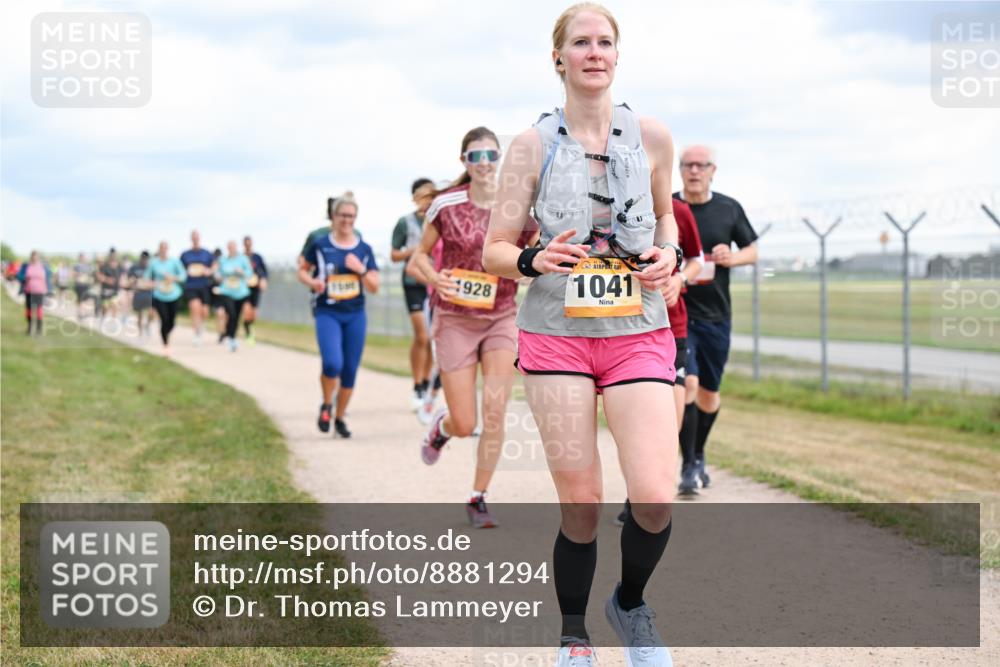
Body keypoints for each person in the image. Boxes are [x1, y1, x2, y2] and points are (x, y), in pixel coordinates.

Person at [482, 4, 682, 664]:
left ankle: (629, 602)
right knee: (583, 501)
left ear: (617, 57)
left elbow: (665, 220)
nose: (594, 51)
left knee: (654, 493)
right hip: (557, 331)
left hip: (637, 330)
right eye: (580, 42)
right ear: (558, 58)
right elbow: (494, 250)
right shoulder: (530, 146)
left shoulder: (651, 136)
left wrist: (670, 257)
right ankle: (574, 635)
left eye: (605, 42)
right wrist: (533, 259)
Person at [410, 126, 536, 529]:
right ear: (463, 162)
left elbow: (532, 257)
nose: (484, 164)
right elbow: (418, 258)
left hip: (501, 316)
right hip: (455, 319)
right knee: (466, 423)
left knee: (495, 412)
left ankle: (478, 497)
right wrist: (435, 277)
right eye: (475, 156)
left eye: (490, 156)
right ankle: (443, 427)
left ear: (500, 159)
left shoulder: (518, 207)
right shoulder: (445, 205)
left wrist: (532, 271)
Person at [675, 145, 758, 489]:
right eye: (688, 165)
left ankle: (697, 454)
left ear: (713, 170)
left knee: (709, 394)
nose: (694, 170)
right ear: (679, 169)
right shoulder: (669, 208)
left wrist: (730, 258)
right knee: (687, 385)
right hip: (677, 314)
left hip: (716, 315)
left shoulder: (728, 208)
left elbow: (752, 250)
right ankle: (689, 466)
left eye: (701, 165)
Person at [299, 191, 379, 439]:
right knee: (333, 363)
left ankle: (340, 417)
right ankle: (326, 403)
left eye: (351, 216)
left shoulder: (364, 249)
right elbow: (301, 269)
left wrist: (361, 269)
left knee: (350, 370)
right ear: (333, 216)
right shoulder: (321, 245)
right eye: (343, 215)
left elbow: (374, 286)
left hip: (355, 313)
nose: (347, 220)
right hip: (328, 312)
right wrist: (313, 282)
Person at [391, 178, 437, 411]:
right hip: (413, 281)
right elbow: (394, 255)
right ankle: (417, 382)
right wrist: (415, 250)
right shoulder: (405, 223)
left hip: (435, 281)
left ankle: (427, 379)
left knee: (432, 337)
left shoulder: (440, 219)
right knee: (422, 336)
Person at [146, 241, 186, 356]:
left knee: (172, 322)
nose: (163, 250)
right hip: (159, 295)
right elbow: (146, 278)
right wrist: (151, 283)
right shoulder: (153, 263)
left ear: (168, 249)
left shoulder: (175, 262)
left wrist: (173, 278)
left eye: (165, 248)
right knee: (164, 319)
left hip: (174, 294)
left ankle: (166, 333)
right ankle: (166, 345)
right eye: (161, 248)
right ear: (159, 249)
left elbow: (183, 276)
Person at [217, 240, 254, 352]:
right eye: (229, 247)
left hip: (241, 292)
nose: (231, 248)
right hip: (227, 291)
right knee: (231, 313)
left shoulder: (243, 259)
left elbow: (249, 273)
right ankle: (230, 336)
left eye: (233, 246)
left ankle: (232, 337)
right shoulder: (223, 260)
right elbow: (218, 273)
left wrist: (241, 272)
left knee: (236, 316)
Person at [180, 230, 215, 344]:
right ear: (191, 238)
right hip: (191, 285)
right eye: (193, 237)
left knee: (204, 312)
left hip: (204, 285)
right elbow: (179, 268)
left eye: (197, 237)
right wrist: (185, 272)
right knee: (195, 308)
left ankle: (201, 326)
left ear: (199, 238)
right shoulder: (185, 254)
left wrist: (209, 271)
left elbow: (215, 264)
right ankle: (196, 334)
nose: (195, 239)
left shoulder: (206, 253)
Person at [241, 235, 268, 345]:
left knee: (254, 314)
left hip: (255, 288)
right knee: (246, 311)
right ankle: (249, 334)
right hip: (244, 289)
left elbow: (264, 272)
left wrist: (263, 280)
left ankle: (250, 327)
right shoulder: (241, 258)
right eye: (246, 244)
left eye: (249, 244)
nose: (248, 246)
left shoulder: (257, 257)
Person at [17, 251, 52, 335]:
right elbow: (19, 275)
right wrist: (24, 277)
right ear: (31, 257)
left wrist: (49, 290)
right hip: (29, 291)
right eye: (33, 256)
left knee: (39, 310)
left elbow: (49, 276)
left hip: (40, 291)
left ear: (38, 257)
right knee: (29, 310)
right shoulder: (26, 266)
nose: (35, 258)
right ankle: (30, 328)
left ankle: (38, 329)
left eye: (36, 256)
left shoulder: (43, 267)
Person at [128, 251, 154, 338]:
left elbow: (155, 280)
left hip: (149, 292)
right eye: (143, 258)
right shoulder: (134, 267)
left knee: (152, 312)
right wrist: (134, 284)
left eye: (146, 258)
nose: (144, 260)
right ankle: (140, 332)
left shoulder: (151, 268)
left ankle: (148, 325)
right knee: (140, 313)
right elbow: (130, 279)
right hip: (139, 293)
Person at [95, 249, 123, 322]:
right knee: (106, 307)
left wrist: (122, 282)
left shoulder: (119, 266)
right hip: (105, 290)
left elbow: (122, 277)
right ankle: (103, 318)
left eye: (115, 254)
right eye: (112, 254)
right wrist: (107, 280)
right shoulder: (104, 266)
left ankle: (113, 321)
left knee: (115, 305)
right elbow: (99, 276)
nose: (113, 256)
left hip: (115, 290)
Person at [72, 253, 95, 319]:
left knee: (86, 299)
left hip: (86, 284)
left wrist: (90, 279)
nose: (83, 259)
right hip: (79, 284)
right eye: (81, 257)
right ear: (79, 258)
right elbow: (73, 274)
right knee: (80, 299)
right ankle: (80, 312)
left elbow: (91, 274)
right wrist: (78, 274)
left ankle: (82, 312)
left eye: (83, 257)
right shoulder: (76, 265)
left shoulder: (88, 265)